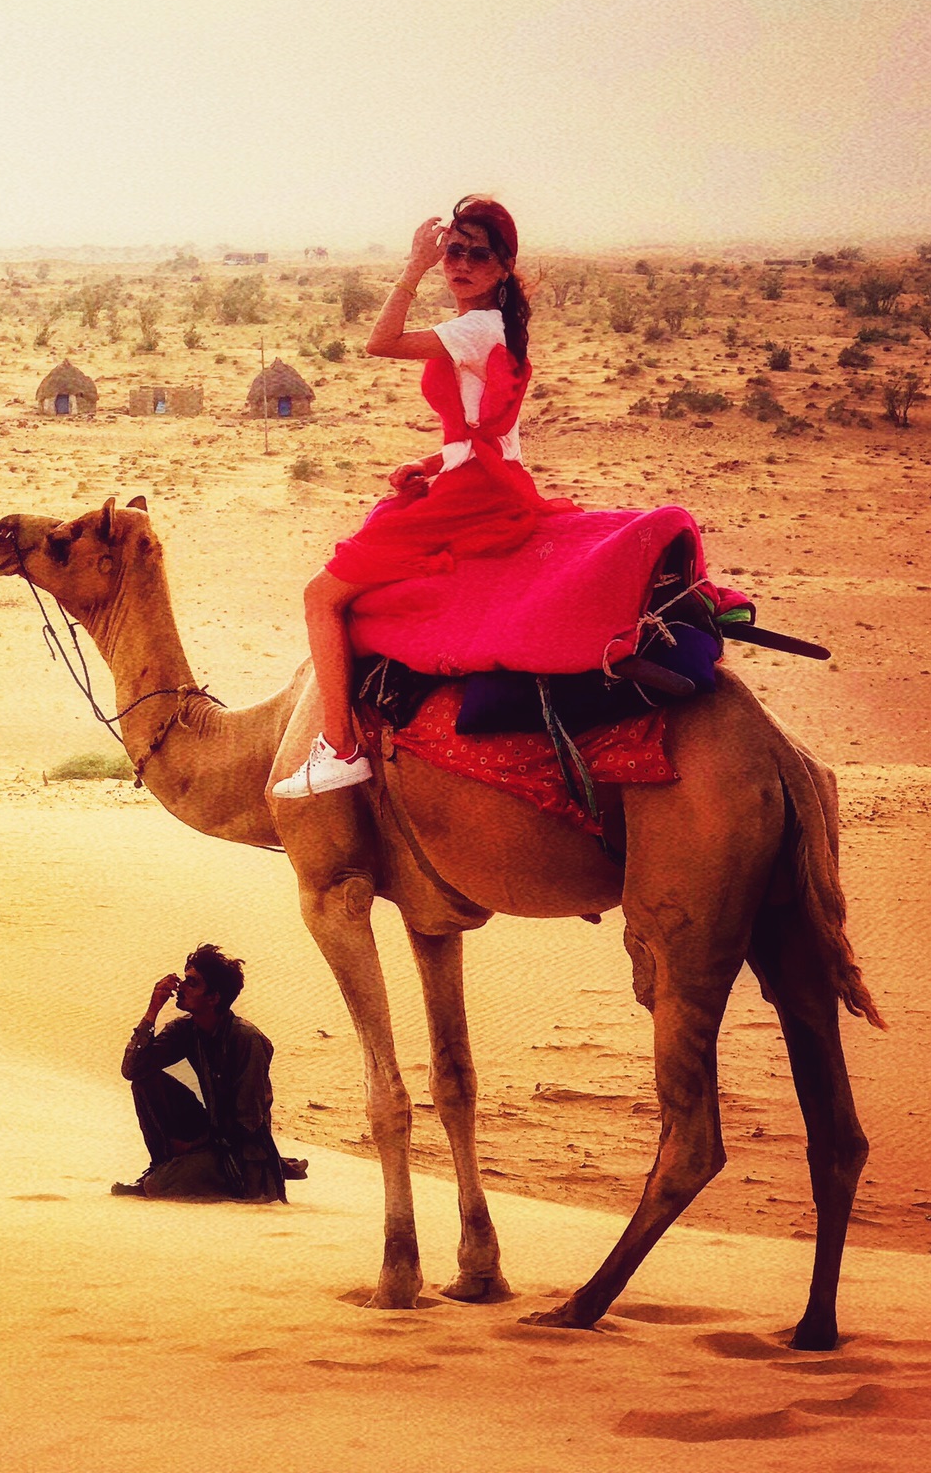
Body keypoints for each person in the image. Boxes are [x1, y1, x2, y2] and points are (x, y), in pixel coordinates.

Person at [272, 196, 575, 800]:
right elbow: (493, 434)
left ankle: (342, 747)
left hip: (473, 492)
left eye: (477, 254)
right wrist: (434, 462)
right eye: (452, 251)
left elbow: (378, 342)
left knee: (321, 596)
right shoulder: (497, 325)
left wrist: (412, 268)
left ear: (503, 265)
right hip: (482, 478)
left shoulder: (474, 327)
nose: (460, 263)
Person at [115, 944, 286, 1201]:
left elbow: (247, 1122)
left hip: (241, 1153)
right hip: (212, 1134)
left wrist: (193, 1146)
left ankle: (167, 1175)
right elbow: (132, 1070)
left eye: (192, 983)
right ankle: (164, 1168)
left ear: (213, 997)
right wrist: (153, 1010)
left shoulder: (247, 1039)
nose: (181, 987)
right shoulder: (185, 1030)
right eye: (184, 979)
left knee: (159, 1186)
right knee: (145, 1082)